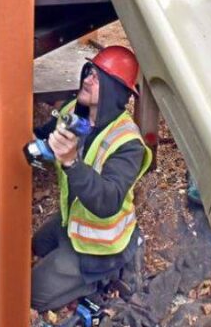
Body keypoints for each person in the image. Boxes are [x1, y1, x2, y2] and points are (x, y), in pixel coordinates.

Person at [31, 46, 152, 313]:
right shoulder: (75, 111)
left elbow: (107, 200)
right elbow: (41, 134)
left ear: (114, 90)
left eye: (97, 77)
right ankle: (71, 268)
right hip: (72, 220)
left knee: (33, 296)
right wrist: (34, 144)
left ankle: (98, 280)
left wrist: (72, 162)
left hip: (100, 245)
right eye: (89, 71)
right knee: (36, 246)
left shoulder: (127, 143)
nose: (86, 79)